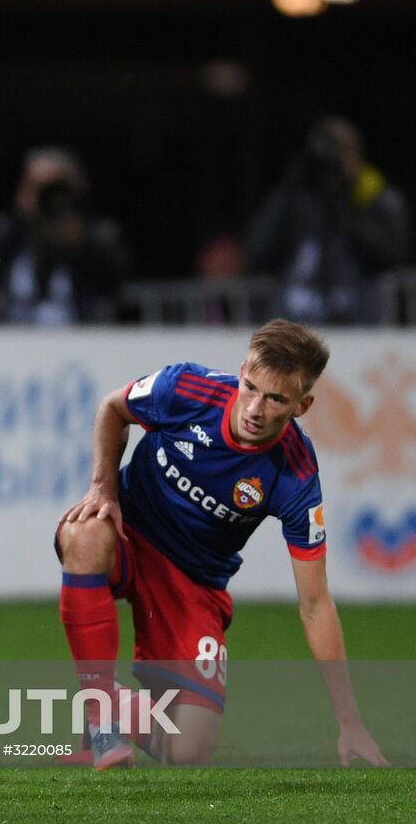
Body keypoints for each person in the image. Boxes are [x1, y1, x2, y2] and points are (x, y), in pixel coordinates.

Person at [56, 319, 388, 768]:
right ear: (241, 371)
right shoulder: (187, 389)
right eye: (250, 387)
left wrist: (350, 722)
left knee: (188, 750)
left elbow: (315, 604)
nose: (255, 408)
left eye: (275, 399)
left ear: (303, 405)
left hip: (193, 583)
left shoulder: (295, 474)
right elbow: (113, 408)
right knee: (84, 534)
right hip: (128, 536)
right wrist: (103, 489)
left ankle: (111, 702)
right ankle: (99, 713)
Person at [244, 116, 412, 324]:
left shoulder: (373, 193)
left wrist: (346, 213)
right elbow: (257, 249)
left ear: (357, 153)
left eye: (341, 149)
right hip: (295, 322)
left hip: (357, 321)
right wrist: (292, 186)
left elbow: (392, 254)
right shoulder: (294, 195)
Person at [0, 146, 128, 325]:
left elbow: (116, 284)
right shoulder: (6, 231)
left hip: (83, 336)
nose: (44, 198)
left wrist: (84, 245)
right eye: (33, 187)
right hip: (13, 336)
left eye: (53, 189)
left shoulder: (98, 233)